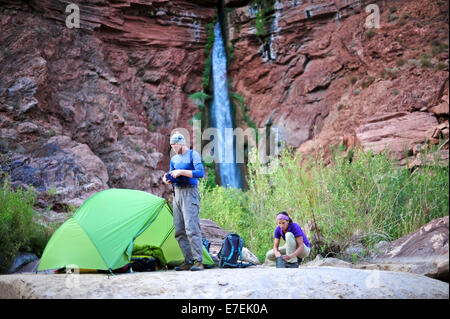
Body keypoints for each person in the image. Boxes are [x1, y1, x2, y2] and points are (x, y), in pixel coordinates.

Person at [162, 132, 205, 271]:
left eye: (175, 145)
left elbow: (200, 173)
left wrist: (181, 172)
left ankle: (198, 261)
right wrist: (167, 179)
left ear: (181, 143)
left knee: (191, 228)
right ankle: (188, 261)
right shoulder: (174, 159)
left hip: (190, 192)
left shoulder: (193, 155)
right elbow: (171, 173)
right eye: (171, 146)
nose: (173, 148)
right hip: (177, 193)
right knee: (179, 229)